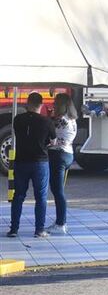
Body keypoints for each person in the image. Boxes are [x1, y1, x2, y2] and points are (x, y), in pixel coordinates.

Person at [7, 92, 56, 238]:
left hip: (21, 161)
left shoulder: (18, 119)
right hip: (40, 162)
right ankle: (39, 230)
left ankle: (14, 229)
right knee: (40, 196)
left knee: (19, 195)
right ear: (41, 105)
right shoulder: (46, 121)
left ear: (28, 103)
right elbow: (53, 141)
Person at [47, 93, 77, 235]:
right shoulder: (72, 120)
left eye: (55, 102)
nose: (53, 104)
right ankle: (61, 220)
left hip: (58, 154)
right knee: (59, 190)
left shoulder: (61, 120)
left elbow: (50, 134)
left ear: (60, 105)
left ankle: (61, 223)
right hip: (68, 153)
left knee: (57, 191)